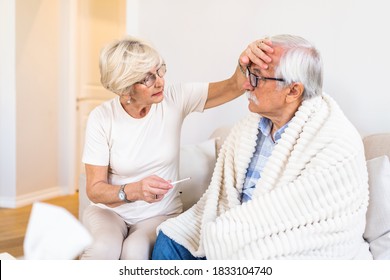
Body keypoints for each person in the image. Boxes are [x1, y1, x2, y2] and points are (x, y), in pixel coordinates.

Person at [152, 34, 372, 260]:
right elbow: (221, 198)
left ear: (293, 91)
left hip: (282, 241)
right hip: (231, 228)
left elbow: (304, 221)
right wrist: (226, 231)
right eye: (249, 73)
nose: (247, 85)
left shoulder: (336, 140)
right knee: (170, 241)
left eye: (257, 77)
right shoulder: (248, 129)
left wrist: (230, 233)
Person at [79, 36, 271, 260]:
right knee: (104, 249)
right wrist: (133, 190)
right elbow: (95, 189)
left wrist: (245, 62)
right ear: (125, 88)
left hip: (159, 214)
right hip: (110, 212)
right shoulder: (102, 118)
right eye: (147, 78)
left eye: (160, 70)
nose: (160, 82)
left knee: (135, 250)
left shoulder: (175, 99)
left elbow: (233, 86)